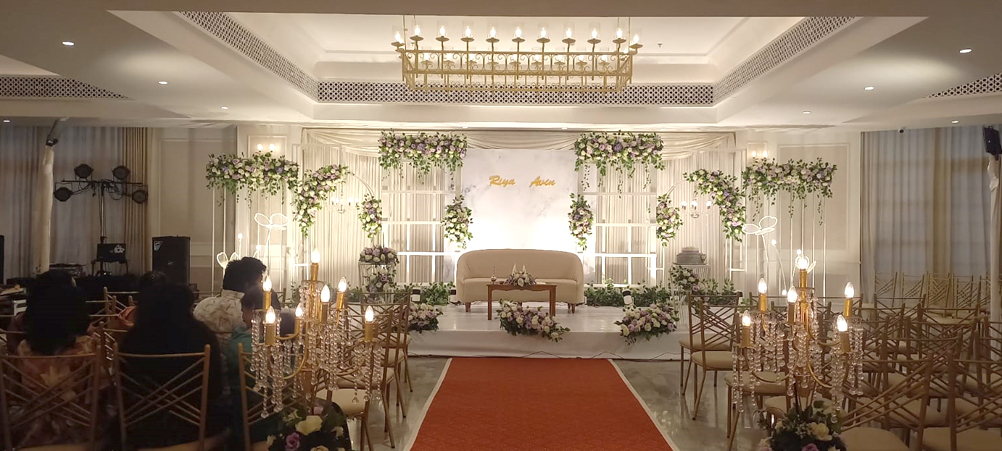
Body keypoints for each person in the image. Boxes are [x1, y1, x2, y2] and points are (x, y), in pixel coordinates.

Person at [120, 283, 229, 448]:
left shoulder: (132, 340)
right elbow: (214, 389)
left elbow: (124, 388)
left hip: (141, 428)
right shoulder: (202, 337)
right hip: (195, 429)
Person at [12, 278, 103, 448]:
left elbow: (15, 392)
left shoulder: (23, 348)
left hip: (31, 433)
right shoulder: (90, 347)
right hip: (83, 432)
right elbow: (103, 393)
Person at [194, 257, 267, 353]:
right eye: (260, 282)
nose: (262, 286)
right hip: (239, 360)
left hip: (204, 361)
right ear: (248, 285)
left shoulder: (202, 306)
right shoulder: (249, 312)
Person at [6, 270, 79, 353]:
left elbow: (12, 354)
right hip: (71, 360)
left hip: (24, 360)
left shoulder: (18, 323)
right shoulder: (76, 322)